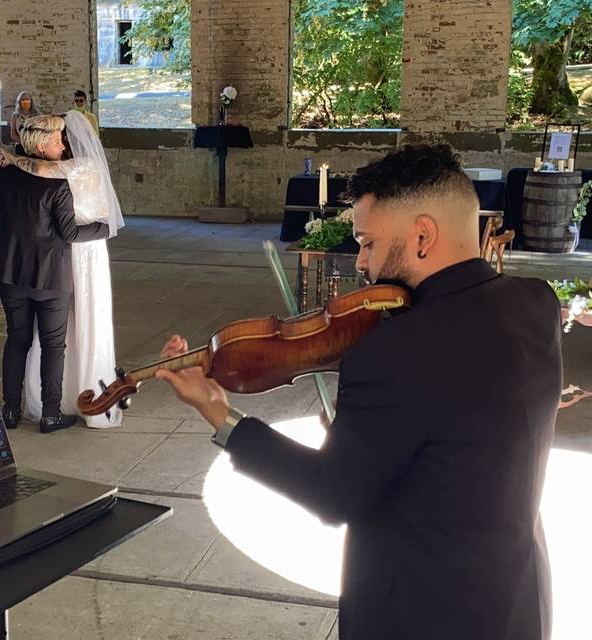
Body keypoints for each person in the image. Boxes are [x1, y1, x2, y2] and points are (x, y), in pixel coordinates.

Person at [156, 145, 562, 640]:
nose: (364, 265)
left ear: (422, 235)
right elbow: (463, 429)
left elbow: (332, 494)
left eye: (368, 242)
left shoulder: (396, 350)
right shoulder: (537, 303)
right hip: (516, 600)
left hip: (421, 613)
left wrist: (221, 416)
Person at [0, 115, 110, 434]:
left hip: (9, 270)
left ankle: (10, 410)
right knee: (53, 345)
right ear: (41, 145)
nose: (63, 145)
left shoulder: (4, 176)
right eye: (58, 141)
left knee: (17, 339)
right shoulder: (57, 184)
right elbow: (69, 232)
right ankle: (50, 414)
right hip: (50, 273)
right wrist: (102, 228)